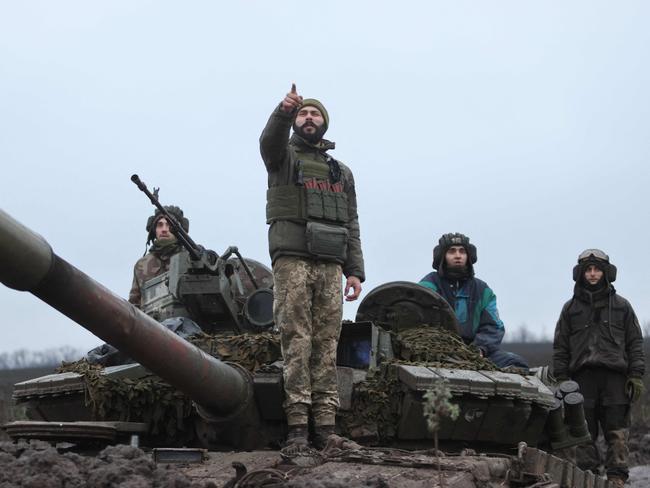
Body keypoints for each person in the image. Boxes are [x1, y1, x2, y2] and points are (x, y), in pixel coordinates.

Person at [259, 84, 365, 450]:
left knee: (326, 342)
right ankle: (298, 429)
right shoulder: (283, 159)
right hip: (293, 260)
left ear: (324, 123)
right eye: (302, 113)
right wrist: (282, 110)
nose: (308, 118)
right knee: (296, 340)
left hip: (331, 264)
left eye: (314, 113)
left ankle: (327, 427)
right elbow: (268, 141)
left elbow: (351, 223)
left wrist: (355, 271)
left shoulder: (341, 172)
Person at [553, 249, 645, 487]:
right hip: (582, 380)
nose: (593, 274)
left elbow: (635, 342)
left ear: (606, 273)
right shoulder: (570, 309)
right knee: (583, 435)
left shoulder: (622, 307)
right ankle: (589, 479)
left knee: (618, 434)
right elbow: (560, 346)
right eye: (588, 270)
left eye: (597, 269)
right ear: (580, 274)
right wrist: (561, 378)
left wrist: (636, 375)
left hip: (615, 379)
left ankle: (616, 480)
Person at [418, 232, 528, 368]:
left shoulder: (482, 290)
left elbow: (493, 326)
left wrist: (480, 348)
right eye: (452, 251)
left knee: (515, 363)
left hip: (475, 352)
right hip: (436, 350)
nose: (458, 255)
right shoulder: (429, 285)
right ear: (442, 256)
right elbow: (418, 320)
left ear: (469, 256)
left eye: (462, 251)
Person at [128, 205, 189, 308]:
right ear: (154, 230)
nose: (164, 229)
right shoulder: (142, 265)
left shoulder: (191, 259)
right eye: (160, 225)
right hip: (149, 322)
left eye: (169, 225)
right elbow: (134, 305)